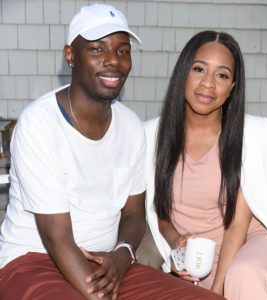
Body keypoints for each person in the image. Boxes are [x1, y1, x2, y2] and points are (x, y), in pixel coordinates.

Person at [0, 5, 225, 300]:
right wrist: (100, 292)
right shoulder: (39, 123)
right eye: (97, 49)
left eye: (122, 51)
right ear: (70, 56)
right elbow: (57, 237)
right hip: (35, 260)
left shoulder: (131, 126)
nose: (112, 61)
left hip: (109, 263)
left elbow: (133, 214)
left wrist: (121, 257)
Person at [145, 30, 267, 300]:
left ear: (231, 88)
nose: (208, 83)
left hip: (248, 245)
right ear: (183, 73)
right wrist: (175, 242)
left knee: (243, 275)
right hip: (196, 256)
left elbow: (237, 225)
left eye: (222, 75)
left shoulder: (249, 134)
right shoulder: (152, 136)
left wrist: (216, 292)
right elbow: (157, 212)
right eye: (199, 69)